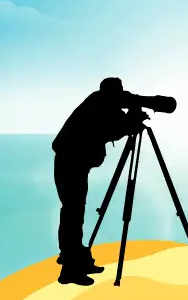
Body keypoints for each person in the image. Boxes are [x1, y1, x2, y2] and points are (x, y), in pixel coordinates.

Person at [52, 77, 147, 286]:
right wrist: (132, 121)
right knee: (72, 214)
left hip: (74, 164)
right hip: (70, 164)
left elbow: (115, 124)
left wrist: (130, 118)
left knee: (75, 213)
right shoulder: (97, 106)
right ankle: (69, 270)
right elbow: (111, 128)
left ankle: (80, 261)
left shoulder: (101, 104)